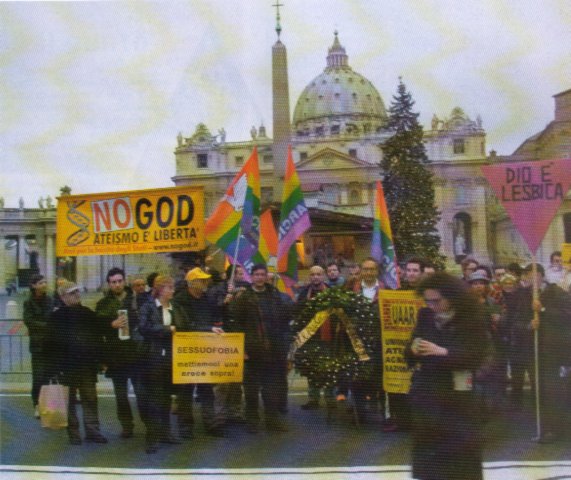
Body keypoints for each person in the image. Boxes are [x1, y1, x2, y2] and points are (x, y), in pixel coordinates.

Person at [406, 272, 486, 480]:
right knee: (430, 456)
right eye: (427, 300)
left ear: (451, 297)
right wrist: (413, 348)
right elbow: (411, 347)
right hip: (428, 395)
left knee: (459, 458)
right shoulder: (425, 315)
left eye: (436, 301)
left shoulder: (470, 318)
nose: (431, 306)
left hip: (457, 397)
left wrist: (443, 352)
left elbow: (476, 356)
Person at [231, 264, 292, 433]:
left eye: (262, 274)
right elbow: (236, 324)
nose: (259, 277)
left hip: (272, 351)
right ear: (252, 277)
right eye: (256, 274)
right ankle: (252, 421)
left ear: (266, 276)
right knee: (251, 391)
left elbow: (284, 319)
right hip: (251, 352)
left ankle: (272, 422)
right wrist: (241, 350)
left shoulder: (274, 295)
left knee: (271, 390)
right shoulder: (244, 297)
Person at [47, 281, 107, 445]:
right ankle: (73, 433)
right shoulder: (56, 317)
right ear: (63, 297)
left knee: (90, 398)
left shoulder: (87, 313)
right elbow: (50, 344)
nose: (77, 295)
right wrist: (53, 368)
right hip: (66, 367)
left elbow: (97, 338)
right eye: (72, 293)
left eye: (77, 292)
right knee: (69, 400)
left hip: (87, 365)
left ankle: (93, 430)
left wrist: (101, 360)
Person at [173, 267, 225, 438]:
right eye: (202, 280)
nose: (205, 283)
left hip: (205, 350)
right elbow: (184, 325)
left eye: (205, 280)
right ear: (192, 282)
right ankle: (186, 427)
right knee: (185, 391)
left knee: (207, 389)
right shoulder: (179, 300)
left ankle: (211, 423)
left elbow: (215, 318)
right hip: (187, 351)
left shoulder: (207, 298)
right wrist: (209, 329)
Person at [138, 275, 184, 453]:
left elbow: (187, 326)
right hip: (153, 357)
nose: (172, 291)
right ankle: (152, 437)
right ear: (160, 290)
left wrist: (209, 329)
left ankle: (166, 432)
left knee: (167, 397)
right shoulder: (148, 307)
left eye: (172, 287)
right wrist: (167, 330)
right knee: (154, 399)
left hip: (172, 357)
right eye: (169, 288)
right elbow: (143, 328)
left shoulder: (176, 308)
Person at [95, 268, 144, 439]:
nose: (117, 284)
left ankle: (149, 423)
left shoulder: (137, 299)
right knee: (121, 394)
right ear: (109, 284)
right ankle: (126, 425)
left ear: (124, 281)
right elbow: (98, 329)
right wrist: (111, 324)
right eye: (113, 282)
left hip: (136, 353)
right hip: (116, 355)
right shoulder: (102, 304)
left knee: (141, 392)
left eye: (119, 281)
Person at [526, 263, 571, 443]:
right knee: (539, 391)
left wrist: (543, 310)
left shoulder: (556, 292)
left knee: (554, 390)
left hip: (554, 350)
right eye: (529, 276)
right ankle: (543, 427)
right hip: (533, 350)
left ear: (542, 276)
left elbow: (568, 314)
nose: (532, 279)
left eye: (535, 275)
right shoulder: (523, 296)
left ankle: (558, 428)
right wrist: (528, 325)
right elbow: (514, 321)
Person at [208, 264, 249, 425]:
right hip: (223, 338)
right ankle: (220, 414)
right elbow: (212, 310)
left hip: (238, 338)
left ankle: (235, 411)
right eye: (237, 273)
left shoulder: (245, 289)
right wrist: (225, 301)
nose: (240, 276)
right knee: (222, 381)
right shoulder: (218, 290)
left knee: (237, 379)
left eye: (241, 273)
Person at [295, 266, 332, 410]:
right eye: (312, 274)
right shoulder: (304, 294)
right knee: (311, 369)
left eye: (318, 274)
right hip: (309, 338)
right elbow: (298, 313)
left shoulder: (332, 293)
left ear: (323, 276)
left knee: (329, 369)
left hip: (327, 337)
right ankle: (313, 398)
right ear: (309, 277)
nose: (315, 277)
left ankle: (330, 398)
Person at [23, 274, 54, 418]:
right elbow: (28, 320)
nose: (44, 284)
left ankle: (46, 405)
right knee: (38, 377)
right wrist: (44, 325)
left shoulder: (49, 300)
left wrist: (39, 325)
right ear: (34, 285)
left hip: (49, 344)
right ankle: (37, 404)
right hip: (36, 346)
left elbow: (50, 319)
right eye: (41, 283)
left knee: (47, 376)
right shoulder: (28, 303)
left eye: (45, 282)